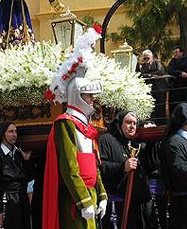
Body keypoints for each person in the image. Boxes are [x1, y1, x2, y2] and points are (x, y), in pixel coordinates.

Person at [43, 26, 107, 229]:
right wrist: (82, 200)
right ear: (78, 96)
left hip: (90, 194)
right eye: (89, 96)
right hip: (74, 198)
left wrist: (101, 194)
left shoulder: (87, 126)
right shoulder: (66, 123)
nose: (93, 100)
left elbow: (94, 165)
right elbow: (69, 167)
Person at [98, 111, 152, 229]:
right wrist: (122, 167)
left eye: (135, 123)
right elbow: (101, 167)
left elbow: (151, 166)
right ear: (119, 124)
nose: (132, 126)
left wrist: (151, 141)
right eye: (128, 123)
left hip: (135, 205)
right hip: (116, 206)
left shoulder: (135, 144)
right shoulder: (106, 140)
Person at [0, 122, 33, 229]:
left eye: (15, 131)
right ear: (3, 134)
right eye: (11, 131)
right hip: (6, 201)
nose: (14, 134)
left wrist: (27, 161)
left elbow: (29, 177)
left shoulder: (18, 154)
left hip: (21, 200)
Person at [140, 50, 168, 122]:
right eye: (145, 58)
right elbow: (143, 74)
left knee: (161, 106)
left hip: (159, 88)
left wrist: (151, 74)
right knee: (152, 107)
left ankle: (162, 123)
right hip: (150, 89)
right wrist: (152, 75)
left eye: (148, 58)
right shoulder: (143, 66)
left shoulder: (156, 62)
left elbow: (161, 71)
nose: (146, 60)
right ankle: (154, 122)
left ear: (152, 57)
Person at [167, 47, 187, 113]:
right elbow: (170, 70)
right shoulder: (172, 61)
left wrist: (183, 71)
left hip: (185, 87)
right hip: (175, 87)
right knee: (174, 105)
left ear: (181, 53)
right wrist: (180, 73)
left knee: (186, 104)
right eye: (174, 53)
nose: (175, 54)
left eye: (176, 52)